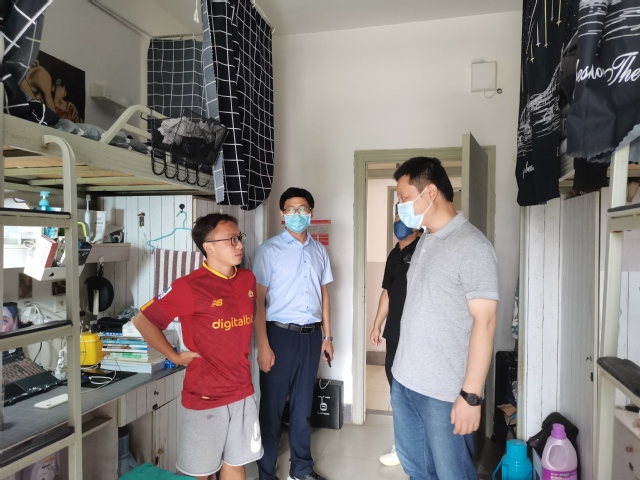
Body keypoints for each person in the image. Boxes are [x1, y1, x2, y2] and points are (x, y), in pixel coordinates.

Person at [391, 157, 499, 480]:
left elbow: (485, 323)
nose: (400, 207)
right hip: (405, 383)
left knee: (453, 475)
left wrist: (471, 396)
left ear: (430, 192)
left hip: (444, 395)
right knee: (418, 472)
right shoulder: (424, 240)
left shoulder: (473, 247)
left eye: (404, 198)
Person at [132, 213, 262, 480]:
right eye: (232, 239)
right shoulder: (189, 286)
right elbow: (142, 320)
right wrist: (173, 356)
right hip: (205, 396)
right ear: (208, 247)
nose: (239, 245)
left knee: (236, 463)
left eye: (240, 238)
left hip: (242, 390)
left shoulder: (247, 279)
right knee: (199, 472)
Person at [253, 187, 333, 480]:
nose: (296, 214)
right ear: (282, 214)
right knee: (272, 409)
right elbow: (258, 301)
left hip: (311, 337)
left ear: (311, 213)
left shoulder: (319, 250)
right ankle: (266, 474)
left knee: (302, 408)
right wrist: (263, 345)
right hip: (279, 336)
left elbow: (324, 295)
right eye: (291, 209)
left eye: (302, 209)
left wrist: (328, 337)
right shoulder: (269, 250)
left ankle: (301, 469)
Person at [369, 207, 420, 466]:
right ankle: (403, 447)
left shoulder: (425, 250)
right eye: (397, 217)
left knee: (416, 391)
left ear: (418, 222)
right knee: (396, 389)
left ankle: (418, 448)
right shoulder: (394, 254)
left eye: (405, 216)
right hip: (395, 333)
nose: (399, 221)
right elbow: (387, 292)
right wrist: (377, 324)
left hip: (419, 335)